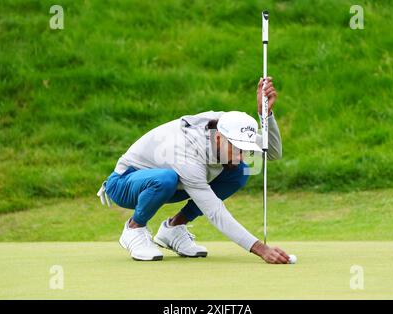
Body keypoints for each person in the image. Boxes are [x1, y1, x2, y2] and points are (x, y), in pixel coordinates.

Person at [97, 77, 290, 264]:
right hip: (124, 183)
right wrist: (260, 249)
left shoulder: (228, 129)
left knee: (239, 172)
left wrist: (266, 116)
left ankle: (173, 228)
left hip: (170, 186)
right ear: (218, 139)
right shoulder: (187, 153)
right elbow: (215, 212)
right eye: (237, 148)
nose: (242, 155)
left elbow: (272, 152)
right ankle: (134, 228)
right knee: (166, 178)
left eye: (244, 148)